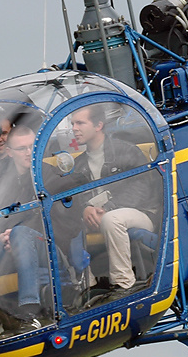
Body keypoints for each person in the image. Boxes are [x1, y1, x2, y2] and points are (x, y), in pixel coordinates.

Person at [69, 104, 161, 293]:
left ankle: (123, 283)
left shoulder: (127, 151)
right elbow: (75, 198)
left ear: (98, 125)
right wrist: (85, 209)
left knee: (112, 219)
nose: (74, 128)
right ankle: (88, 288)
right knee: (67, 230)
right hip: (98, 217)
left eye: (80, 123)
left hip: (141, 213)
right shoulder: (77, 165)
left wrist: (109, 208)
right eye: (72, 124)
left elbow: (140, 189)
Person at [0, 125, 51, 323]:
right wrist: (1, 236)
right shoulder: (2, 183)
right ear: (9, 152)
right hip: (8, 244)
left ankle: (30, 308)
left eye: (34, 146)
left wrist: (15, 235)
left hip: (45, 245)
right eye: (22, 148)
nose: (29, 152)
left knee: (21, 233)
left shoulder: (51, 175)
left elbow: (61, 219)